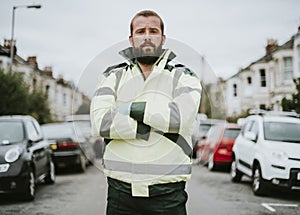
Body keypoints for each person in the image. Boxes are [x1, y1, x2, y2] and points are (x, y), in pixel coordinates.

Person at [90, 10, 201, 215]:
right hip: (119, 195)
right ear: (132, 39)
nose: (147, 36)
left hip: (168, 196)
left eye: (153, 31)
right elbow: (101, 123)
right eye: (141, 31)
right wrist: (154, 123)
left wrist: (129, 109)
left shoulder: (184, 77)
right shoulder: (111, 76)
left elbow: (181, 119)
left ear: (163, 38)